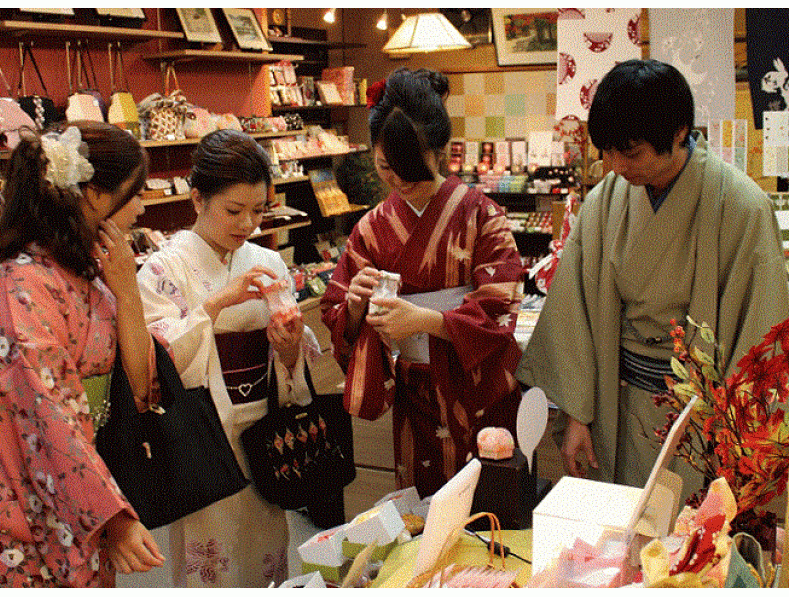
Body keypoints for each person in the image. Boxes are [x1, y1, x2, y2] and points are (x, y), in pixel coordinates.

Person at [516, 59, 789, 498]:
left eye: (631, 152)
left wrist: (739, 444)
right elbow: (575, 312)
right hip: (617, 403)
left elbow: (761, 334)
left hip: (702, 421)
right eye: (606, 151)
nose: (614, 166)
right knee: (618, 541)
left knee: (690, 548)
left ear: (680, 131)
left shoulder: (741, 207)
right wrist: (579, 416)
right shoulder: (606, 201)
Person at [133, 130, 330, 587]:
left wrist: (287, 347)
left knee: (265, 548)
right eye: (234, 210)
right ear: (198, 198)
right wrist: (216, 304)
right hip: (203, 433)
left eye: (258, 211)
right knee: (212, 558)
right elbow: (153, 355)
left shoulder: (265, 260)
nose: (247, 224)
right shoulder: (165, 268)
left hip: (263, 425)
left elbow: (291, 353)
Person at [321, 68, 525, 499]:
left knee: (488, 511)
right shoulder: (372, 228)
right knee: (422, 519)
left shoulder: (481, 216)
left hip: (476, 390)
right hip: (416, 396)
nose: (399, 182)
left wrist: (425, 321)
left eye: (412, 171)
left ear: (442, 151)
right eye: (385, 168)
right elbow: (336, 307)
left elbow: (501, 303)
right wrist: (356, 306)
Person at [0, 121, 165, 586]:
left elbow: (141, 388)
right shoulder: (19, 283)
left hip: (83, 466)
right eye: (135, 193)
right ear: (94, 196)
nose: (142, 207)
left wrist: (127, 292)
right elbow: (43, 407)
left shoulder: (93, 273)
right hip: (29, 487)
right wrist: (109, 516)